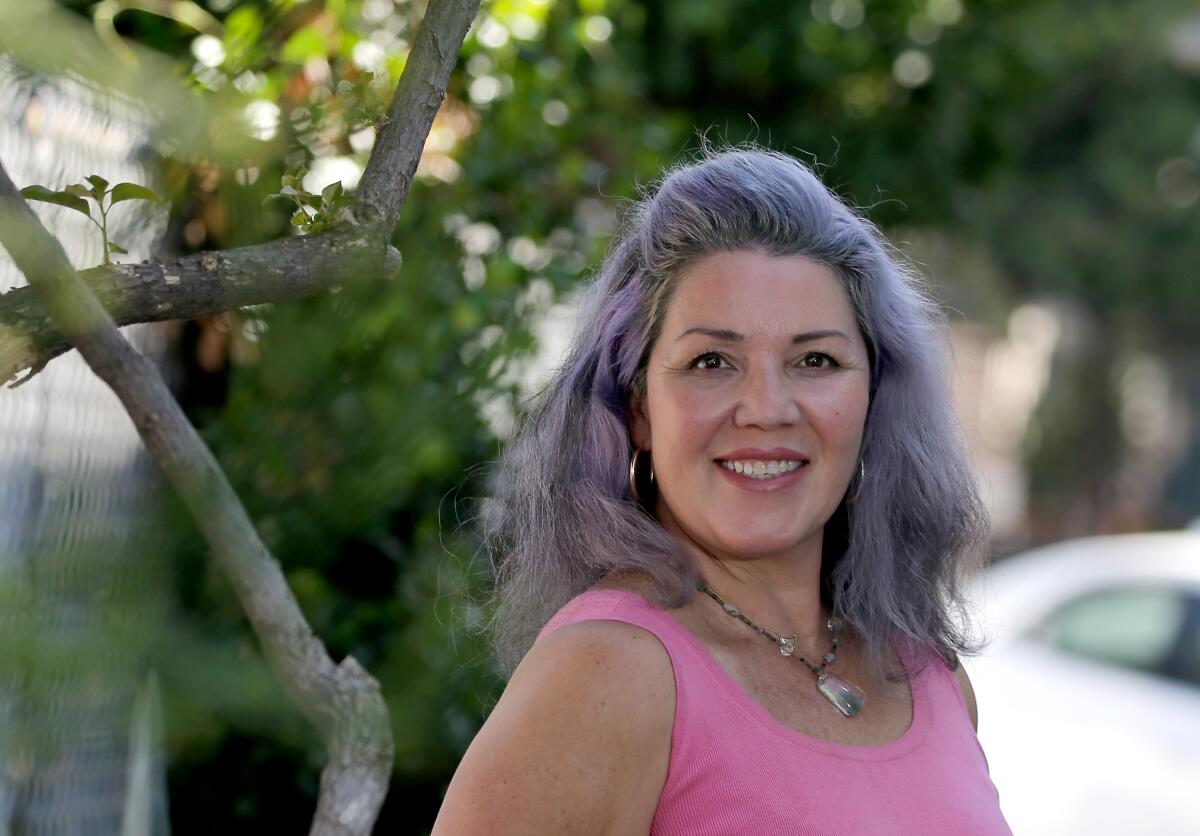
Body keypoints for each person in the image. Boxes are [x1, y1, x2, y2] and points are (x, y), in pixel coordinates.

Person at [432, 145, 1012, 834]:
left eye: (815, 360)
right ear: (637, 407)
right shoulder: (607, 675)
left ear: (872, 402)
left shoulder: (928, 679)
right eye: (712, 361)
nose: (766, 408)